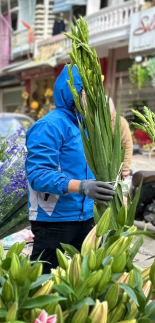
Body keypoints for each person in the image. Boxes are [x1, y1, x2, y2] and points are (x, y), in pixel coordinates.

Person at [25, 66, 116, 273]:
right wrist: (82, 186)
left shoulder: (87, 127)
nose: (94, 97)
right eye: (87, 91)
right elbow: (38, 175)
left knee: (86, 278)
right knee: (42, 280)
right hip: (54, 219)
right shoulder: (50, 125)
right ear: (71, 91)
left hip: (87, 217)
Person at [109, 97, 133, 179]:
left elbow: (127, 144)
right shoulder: (94, 121)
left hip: (116, 164)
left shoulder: (120, 122)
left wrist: (125, 168)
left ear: (112, 108)